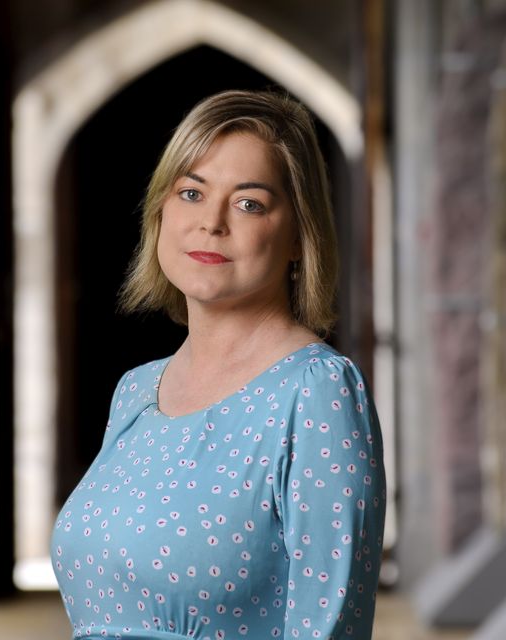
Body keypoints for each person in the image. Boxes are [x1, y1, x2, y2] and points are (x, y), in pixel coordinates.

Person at [50, 89, 387, 640]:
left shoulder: (319, 392)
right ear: (160, 210)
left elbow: (332, 627)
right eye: (190, 192)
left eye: (248, 203)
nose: (211, 222)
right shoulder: (136, 391)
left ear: (300, 233)